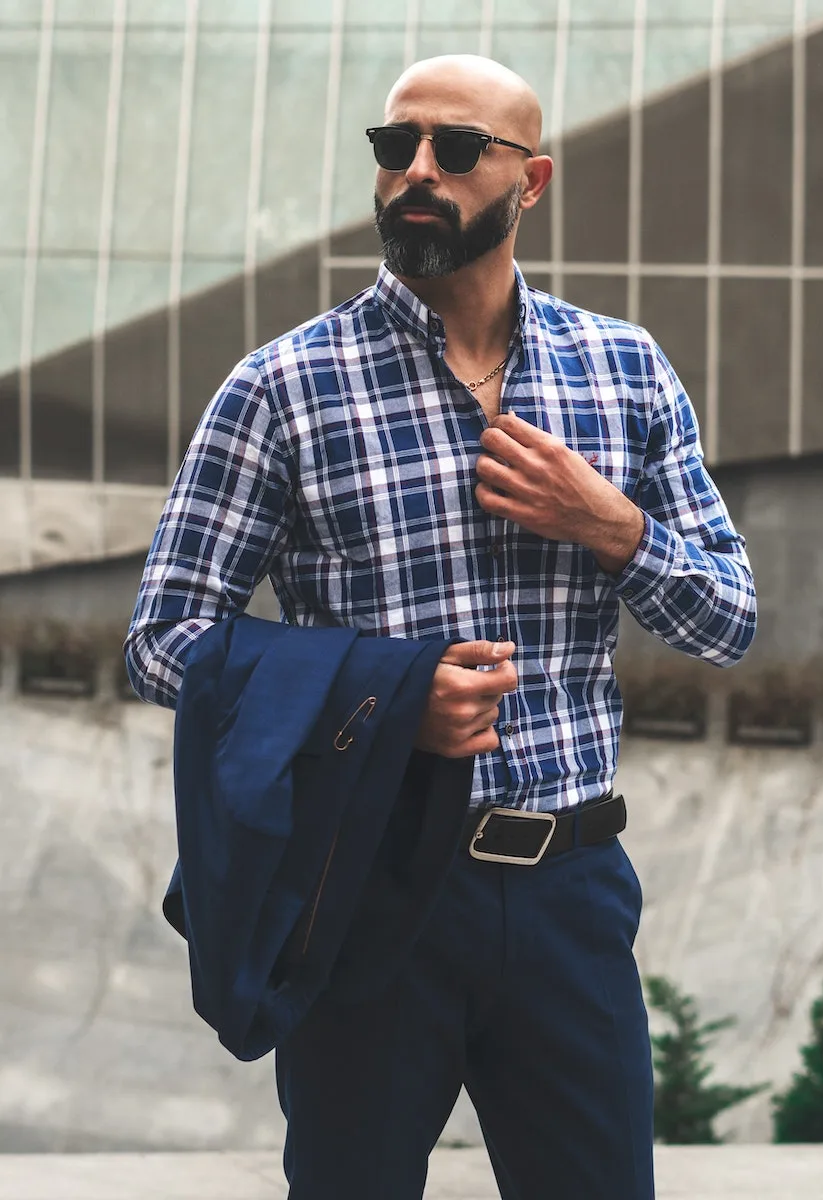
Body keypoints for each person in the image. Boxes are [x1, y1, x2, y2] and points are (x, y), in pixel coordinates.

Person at [126, 54, 756, 1200]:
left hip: (571, 888)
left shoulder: (623, 371)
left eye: (457, 149)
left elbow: (730, 619)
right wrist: (387, 701)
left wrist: (610, 525)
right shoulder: (283, 387)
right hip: (368, 891)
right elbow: (164, 637)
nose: (417, 170)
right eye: (395, 145)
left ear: (531, 182)